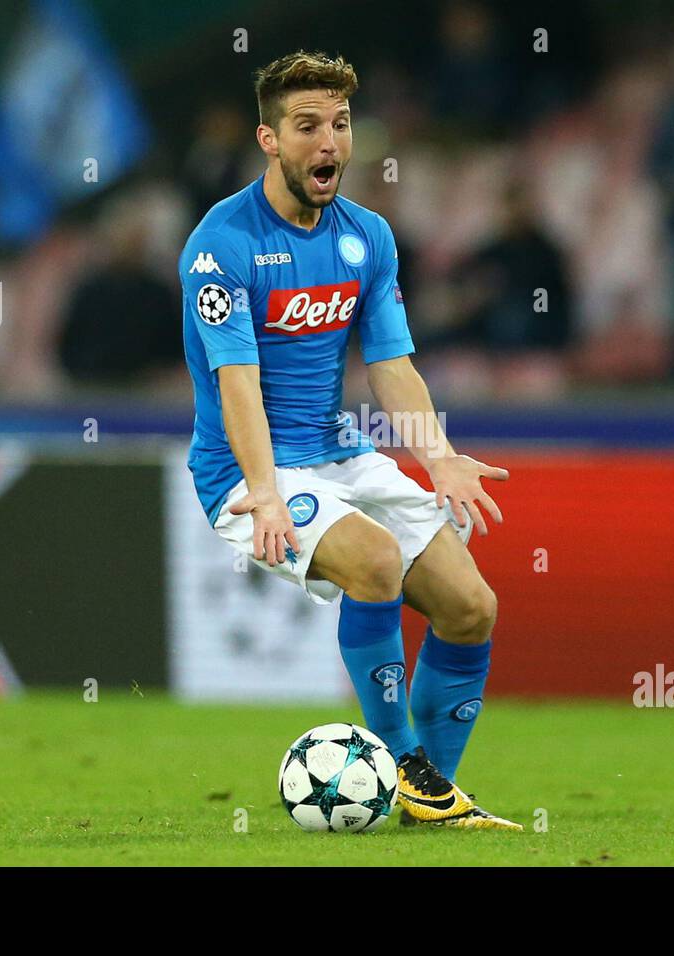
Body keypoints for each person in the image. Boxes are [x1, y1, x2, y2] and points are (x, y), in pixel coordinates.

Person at [178, 50, 519, 830]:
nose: (329, 142)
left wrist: (436, 454)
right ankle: (406, 767)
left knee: (471, 607)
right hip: (245, 469)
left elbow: (391, 365)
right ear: (269, 139)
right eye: (307, 127)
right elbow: (237, 386)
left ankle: (431, 798)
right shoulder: (220, 245)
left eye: (339, 124)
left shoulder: (366, 237)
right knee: (371, 561)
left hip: (344, 456)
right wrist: (264, 493)